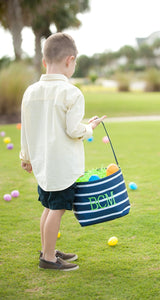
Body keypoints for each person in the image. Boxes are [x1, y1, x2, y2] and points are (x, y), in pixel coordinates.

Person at [20, 32, 106, 271]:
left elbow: (26, 129)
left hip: (43, 165)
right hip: (62, 166)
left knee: (48, 207)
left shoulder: (30, 92)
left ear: (45, 61)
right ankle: (48, 257)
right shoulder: (72, 92)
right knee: (56, 209)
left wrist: (25, 158)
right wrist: (90, 127)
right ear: (70, 60)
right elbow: (73, 130)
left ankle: (48, 248)